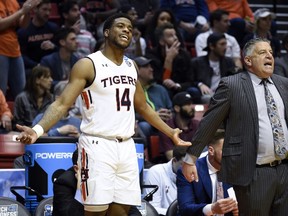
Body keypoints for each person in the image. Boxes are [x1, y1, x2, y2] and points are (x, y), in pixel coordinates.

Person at [16, 13, 191, 216]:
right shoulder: (88, 64)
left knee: (121, 212)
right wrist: (37, 130)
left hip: (126, 146)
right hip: (97, 146)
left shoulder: (131, 66)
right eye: (121, 26)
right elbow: (62, 103)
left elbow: (143, 107)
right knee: (95, 211)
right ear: (107, 32)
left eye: (130, 27)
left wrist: (171, 133)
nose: (127, 30)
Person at [182, 37, 288, 215]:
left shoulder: (284, 84)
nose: (269, 56)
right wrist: (190, 158)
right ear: (248, 60)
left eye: (270, 52)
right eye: (262, 53)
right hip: (254, 172)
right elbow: (209, 122)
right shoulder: (232, 85)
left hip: (285, 169)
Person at [177, 129, 238, 216]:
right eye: (226, 150)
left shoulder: (236, 169)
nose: (231, 155)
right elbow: (185, 209)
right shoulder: (189, 171)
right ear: (211, 150)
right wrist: (212, 208)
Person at [0, 0, 40, 100]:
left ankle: (22, 114)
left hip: (14, 49)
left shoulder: (13, 2)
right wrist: (22, 11)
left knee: (22, 90)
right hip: (1, 49)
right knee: (1, 90)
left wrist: (27, 11)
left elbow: (23, 25)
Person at [145, 23, 194, 97]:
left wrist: (177, 85)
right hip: (161, 91)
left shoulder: (185, 55)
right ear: (162, 41)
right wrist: (169, 59)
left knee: (193, 91)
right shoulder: (151, 56)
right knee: (166, 91)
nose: (175, 38)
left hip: (180, 88)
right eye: (171, 36)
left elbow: (190, 81)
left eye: (175, 35)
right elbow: (161, 82)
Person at [191, 33, 237, 104]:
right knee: (209, 98)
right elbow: (189, 81)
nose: (225, 47)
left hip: (224, 94)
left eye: (225, 44)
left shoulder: (229, 62)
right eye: (222, 44)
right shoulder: (197, 62)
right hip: (207, 94)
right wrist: (200, 84)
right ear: (211, 46)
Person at [17, 0, 59, 75]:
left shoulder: (54, 28)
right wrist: (37, 65)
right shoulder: (24, 31)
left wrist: (53, 46)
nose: (47, 13)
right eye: (44, 9)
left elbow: (60, 49)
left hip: (51, 67)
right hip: (32, 69)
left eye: (49, 10)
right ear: (35, 9)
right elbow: (21, 55)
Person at [134, 56, 172, 138]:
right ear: (137, 70)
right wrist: (153, 116)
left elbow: (172, 109)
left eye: (151, 66)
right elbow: (130, 115)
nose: (151, 69)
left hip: (164, 124)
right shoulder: (131, 90)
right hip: (145, 124)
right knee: (144, 126)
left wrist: (168, 114)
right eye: (146, 66)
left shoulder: (160, 89)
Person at [143, 146, 187, 216]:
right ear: (174, 161)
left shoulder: (196, 173)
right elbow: (151, 209)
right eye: (184, 165)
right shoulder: (156, 172)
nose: (189, 169)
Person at [159, 92, 199, 161]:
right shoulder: (166, 127)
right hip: (174, 168)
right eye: (187, 104)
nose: (192, 107)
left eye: (192, 104)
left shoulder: (198, 125)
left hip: (196, 165)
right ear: (177, 108)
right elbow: (170, 156)